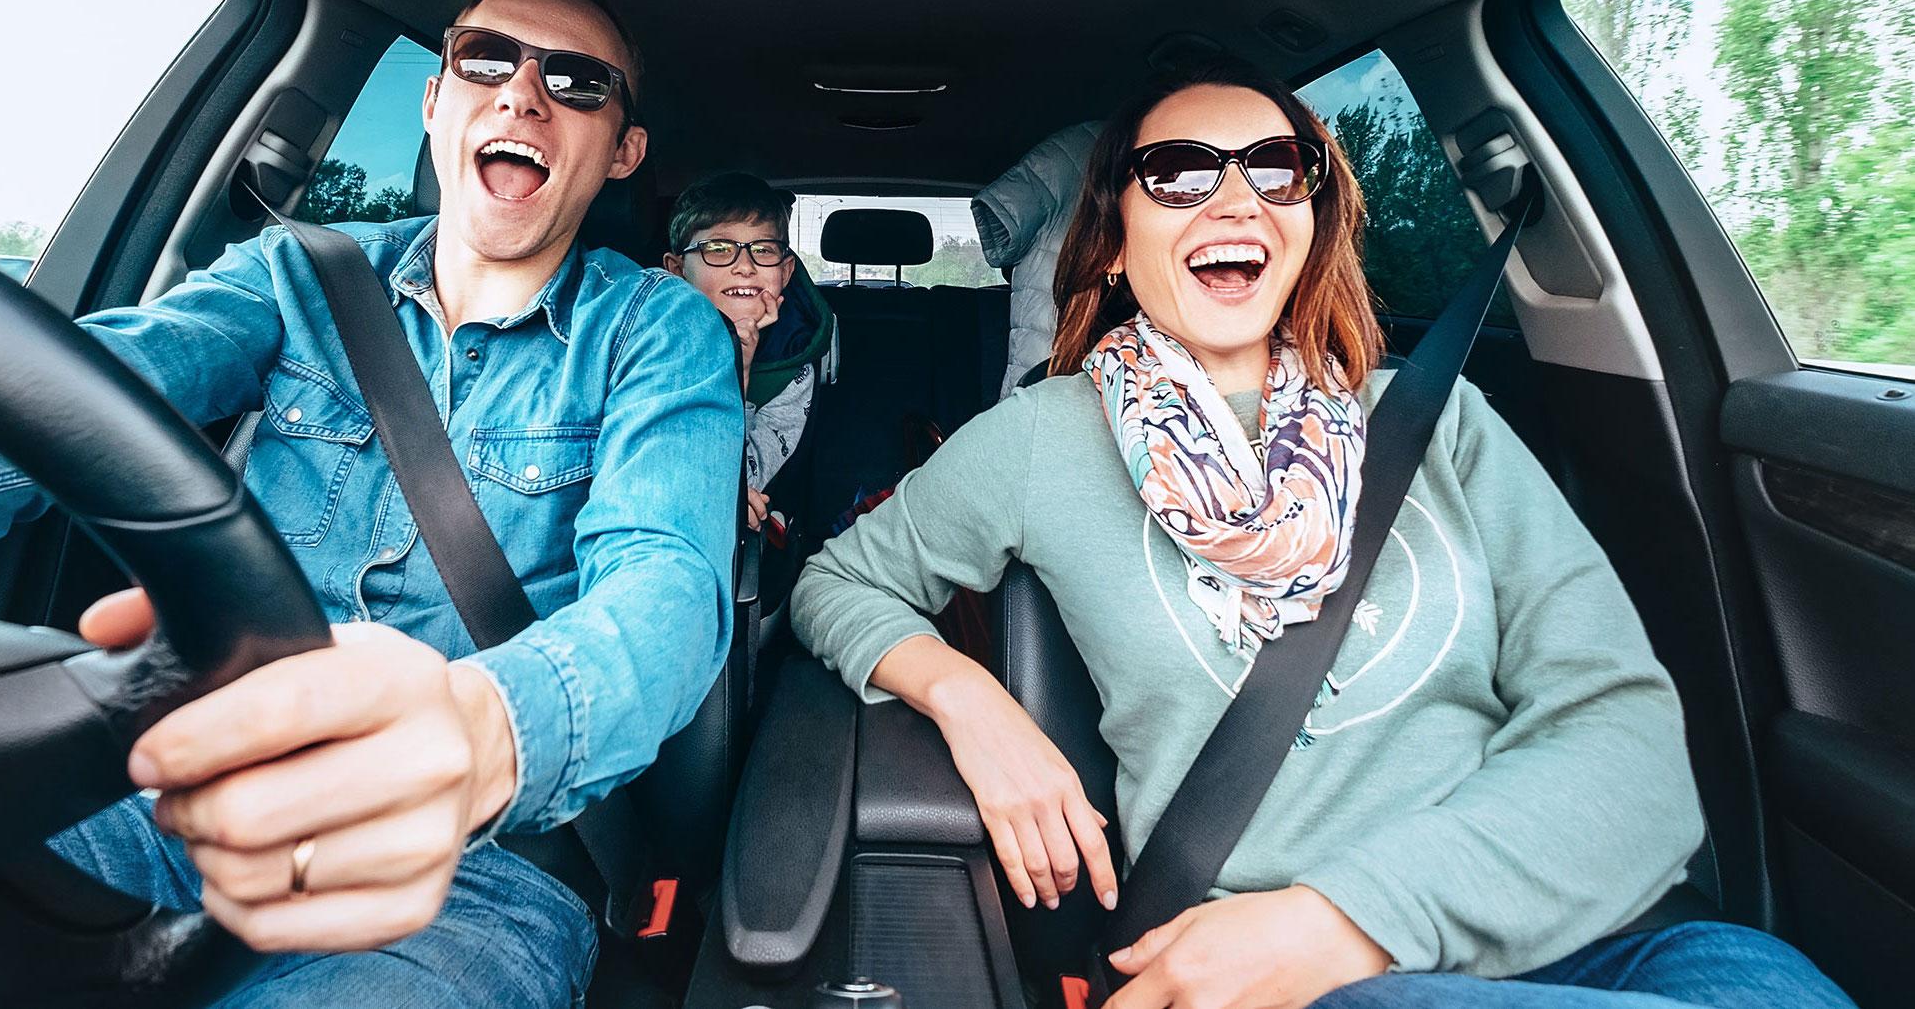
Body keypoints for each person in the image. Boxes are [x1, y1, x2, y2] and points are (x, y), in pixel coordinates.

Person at [790, 56, 1854, 1009]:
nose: (1236, 196)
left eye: (1275, 166)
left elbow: (1626, 745)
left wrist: (1352, 913)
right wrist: (970, 699)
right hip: (1283, 975)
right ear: (1113, 239)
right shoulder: (1037, 439)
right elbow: (838, 584)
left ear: (1311, 222)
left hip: (1605, 941)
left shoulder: (1438, 422)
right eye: (1180, 171)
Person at [0, 0, 743, 1008]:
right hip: (183, 788)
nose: (522, 95)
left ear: (623, 152)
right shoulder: (294, 277)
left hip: (469, 871)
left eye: (577, 82)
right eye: (486, 59)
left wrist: (480, 727)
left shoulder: (659, 333)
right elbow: (55, 400)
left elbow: (666, 586)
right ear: (438, 99)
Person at [663, 172, 832, 532]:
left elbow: (743, 476)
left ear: (785, 272)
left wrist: (738, 365)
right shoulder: (646, 343)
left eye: (764, 250)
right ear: (677, 270)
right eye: (719, 249)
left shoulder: (793, 363)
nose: (745, 266)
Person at [973, 119, 1103, 397]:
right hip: (1050, 342)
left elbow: (1002, 243)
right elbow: (1000, 240)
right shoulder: (1072, 152)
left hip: (1045, 342)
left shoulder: (1071, 151)